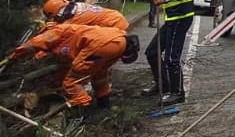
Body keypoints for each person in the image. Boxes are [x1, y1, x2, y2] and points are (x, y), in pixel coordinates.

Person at [9, 23, 139, 118]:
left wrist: (12, 57)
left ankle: (85, 113)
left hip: (101, 46)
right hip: (117, 42)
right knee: (99, 74)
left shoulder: (55, 32)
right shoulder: (71, 31)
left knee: (72, 82)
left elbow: (33, 44)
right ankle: (104, 103)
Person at [144, 0, 194, 106]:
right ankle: (163, 85)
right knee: (152, 52)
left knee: (171, 58)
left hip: (180, 18)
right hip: (171, 19)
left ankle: (177, 93)